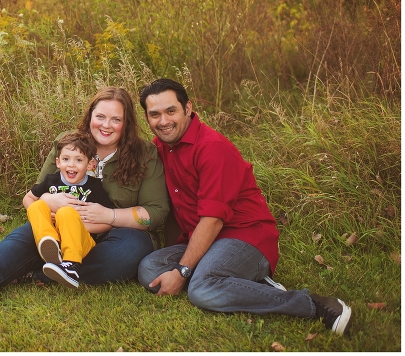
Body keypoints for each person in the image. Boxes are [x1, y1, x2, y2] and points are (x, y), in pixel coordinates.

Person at [0, 86, 170, 312]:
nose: (107, 125)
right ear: (90, 117)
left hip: (118, 233)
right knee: (27, 235)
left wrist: (110, 216)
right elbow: (36, 197)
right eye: (100, 117)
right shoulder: (68, 144)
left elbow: (157, 212)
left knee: (130, 251)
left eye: (116, 119)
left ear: (126, 123)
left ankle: (39, 272)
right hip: (61, 226)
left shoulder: (144, 154)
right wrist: (48, 202)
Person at [136, 78, 352, 335]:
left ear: (188, 108)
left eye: (171, 111)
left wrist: (182, 272)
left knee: (202, 289)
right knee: (148, 269)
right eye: (155, 114)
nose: (163, 121)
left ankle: (312, 305)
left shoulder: (212, 148)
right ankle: (243, 281)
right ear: (147, 117)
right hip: (202, 238)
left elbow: (213, 219)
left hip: (245, 236)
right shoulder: (160, 147)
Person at [24, 131, 115, 289]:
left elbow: (108, 222)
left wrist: (78, 225)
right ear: (58, 162)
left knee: (66, 212)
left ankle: (72, 266)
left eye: (79, 160)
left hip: (81, 243)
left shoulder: (94, 187)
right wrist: (48, 215)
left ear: (90, 165)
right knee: (37, 205)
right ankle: (49, 244)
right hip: (54, 234)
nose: (71, 165)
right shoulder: (51, 180)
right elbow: (27, 198)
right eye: (66, 159)